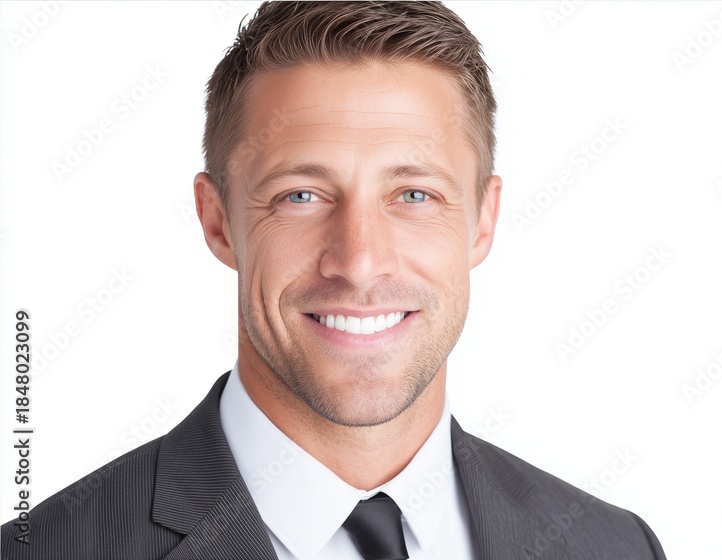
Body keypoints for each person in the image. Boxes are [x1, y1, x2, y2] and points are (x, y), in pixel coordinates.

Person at [1, 2, 666, 558]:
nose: (359, 260)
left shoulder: (616, 547)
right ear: (218, 221)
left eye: (414, 195)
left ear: (482, 221)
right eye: (301, 196)